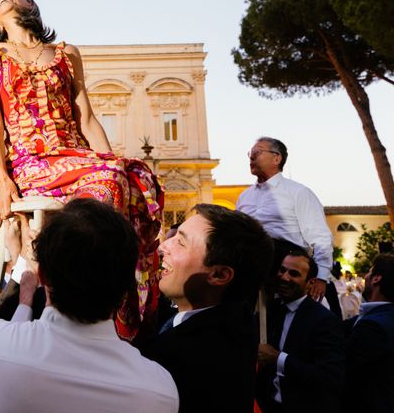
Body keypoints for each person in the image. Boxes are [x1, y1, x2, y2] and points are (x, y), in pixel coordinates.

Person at [0, 0, 164, 341]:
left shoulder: (66, 53)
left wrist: (112, 161)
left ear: (31, 3)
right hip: (32, 162)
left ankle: (104, 292)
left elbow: (86, 118)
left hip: (77, 155)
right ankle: (101, 299)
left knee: (132, 175)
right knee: (110, 180)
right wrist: (2, 180)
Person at [0, 198, 178, 412]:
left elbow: (11, 346)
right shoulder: (159, 390)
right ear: (127, 289)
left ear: (43, 275)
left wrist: (23, 273)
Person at [141, 204, 273, 413]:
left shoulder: (182, 357)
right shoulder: (235, 319)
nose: (162, 247)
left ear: (219, 275)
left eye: (180, 243)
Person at [236, 137, 338, 312]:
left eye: (257, 152)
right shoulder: (244, 197)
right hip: (254, 274)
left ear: (277, 158)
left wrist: (321, 277)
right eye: (250, 154)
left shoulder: (299, 193)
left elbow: (320, 237)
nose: (251, 157)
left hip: (290, 272)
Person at [256, 250, 344, 413]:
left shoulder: (325, 321)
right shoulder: (270, 311)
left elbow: (330, 376)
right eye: (282, 270)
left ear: (311, 283)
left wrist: (278, 359)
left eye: (294, 274)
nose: (284, 277)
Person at [344, 254, 394, 413]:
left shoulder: (373, 326)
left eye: (369, 271)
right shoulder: (378, 316)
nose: (365, 276)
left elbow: (343, 369)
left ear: (376, 278)